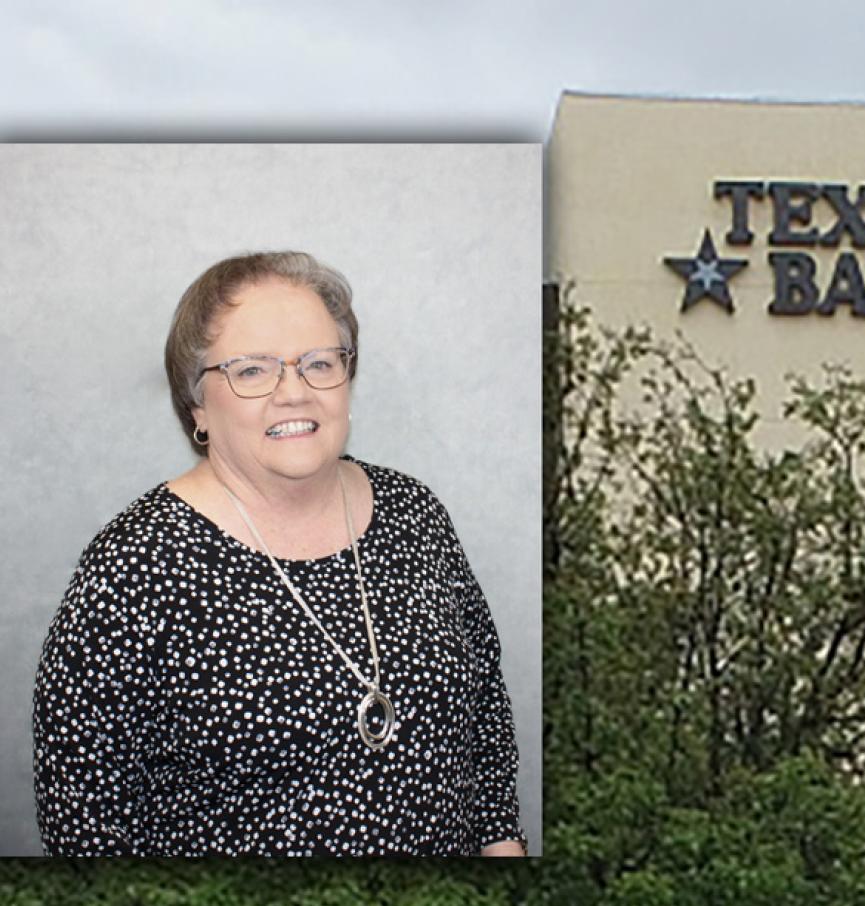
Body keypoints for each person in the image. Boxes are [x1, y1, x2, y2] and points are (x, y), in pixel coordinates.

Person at [32, 251, 525, 856]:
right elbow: (82, 818)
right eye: (252, 371)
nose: (294, 392)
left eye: (319, 363)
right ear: (197, 406)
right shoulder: (134, 566)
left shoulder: (414, 513)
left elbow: (486, 728)